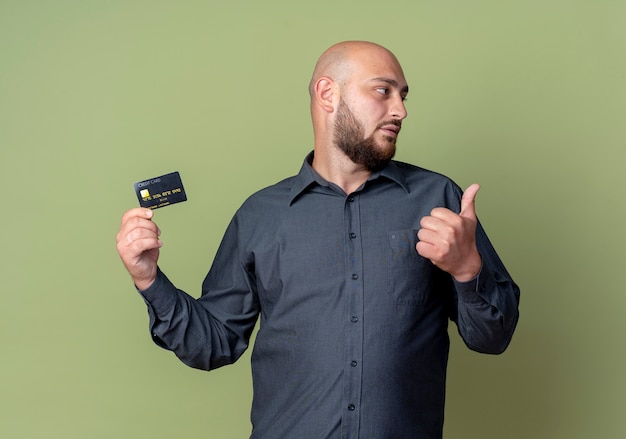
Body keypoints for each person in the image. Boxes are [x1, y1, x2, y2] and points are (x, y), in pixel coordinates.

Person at [116, 41, 520, 439]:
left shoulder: (439, 201)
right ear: (328, 94)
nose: (400, 110)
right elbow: (214, 344)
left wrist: (469, 270)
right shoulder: (261, 215)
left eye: (403, 95)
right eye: (383, 91)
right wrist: (149, 279)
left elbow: (492, 339)